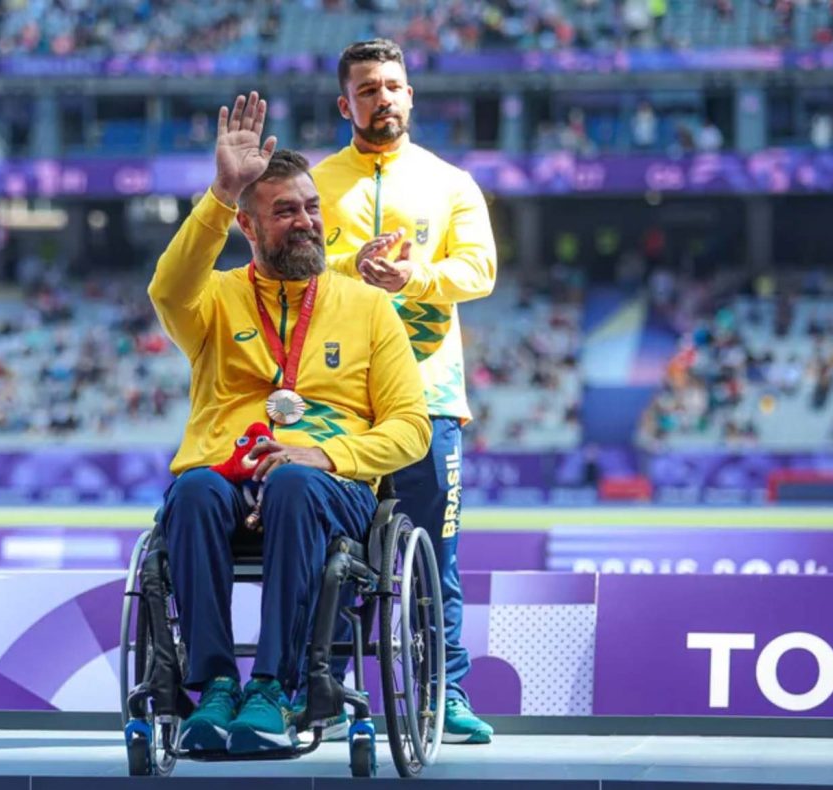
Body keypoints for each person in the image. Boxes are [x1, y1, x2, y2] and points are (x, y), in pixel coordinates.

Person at [147, 92, 430, 756]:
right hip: (226, 473)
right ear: (248, 226)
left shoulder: (368, 308)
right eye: (285, 212)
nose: (306, 221)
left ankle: (275, 685)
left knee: (295, 488)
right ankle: (215, 686)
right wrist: (219, 191)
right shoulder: (214, 298)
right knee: (189, 493)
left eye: (311, 207)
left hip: (326, 485)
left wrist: (321, 457)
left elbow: (411, 427)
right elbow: (166, 288)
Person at [311, 39, 498, 744]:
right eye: (367, 89)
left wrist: (414, 277)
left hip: (430, 399)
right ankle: (323, 688)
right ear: (345, 104)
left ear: (411, 95)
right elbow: (282, 263)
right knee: (330, 551)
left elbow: (479, 271)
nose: (382, 97)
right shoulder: (317, 182)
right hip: (336, 405)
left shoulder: (451, 183)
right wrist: (348, 264)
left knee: (435, 556)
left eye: (393, 85)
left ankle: (444, 693)